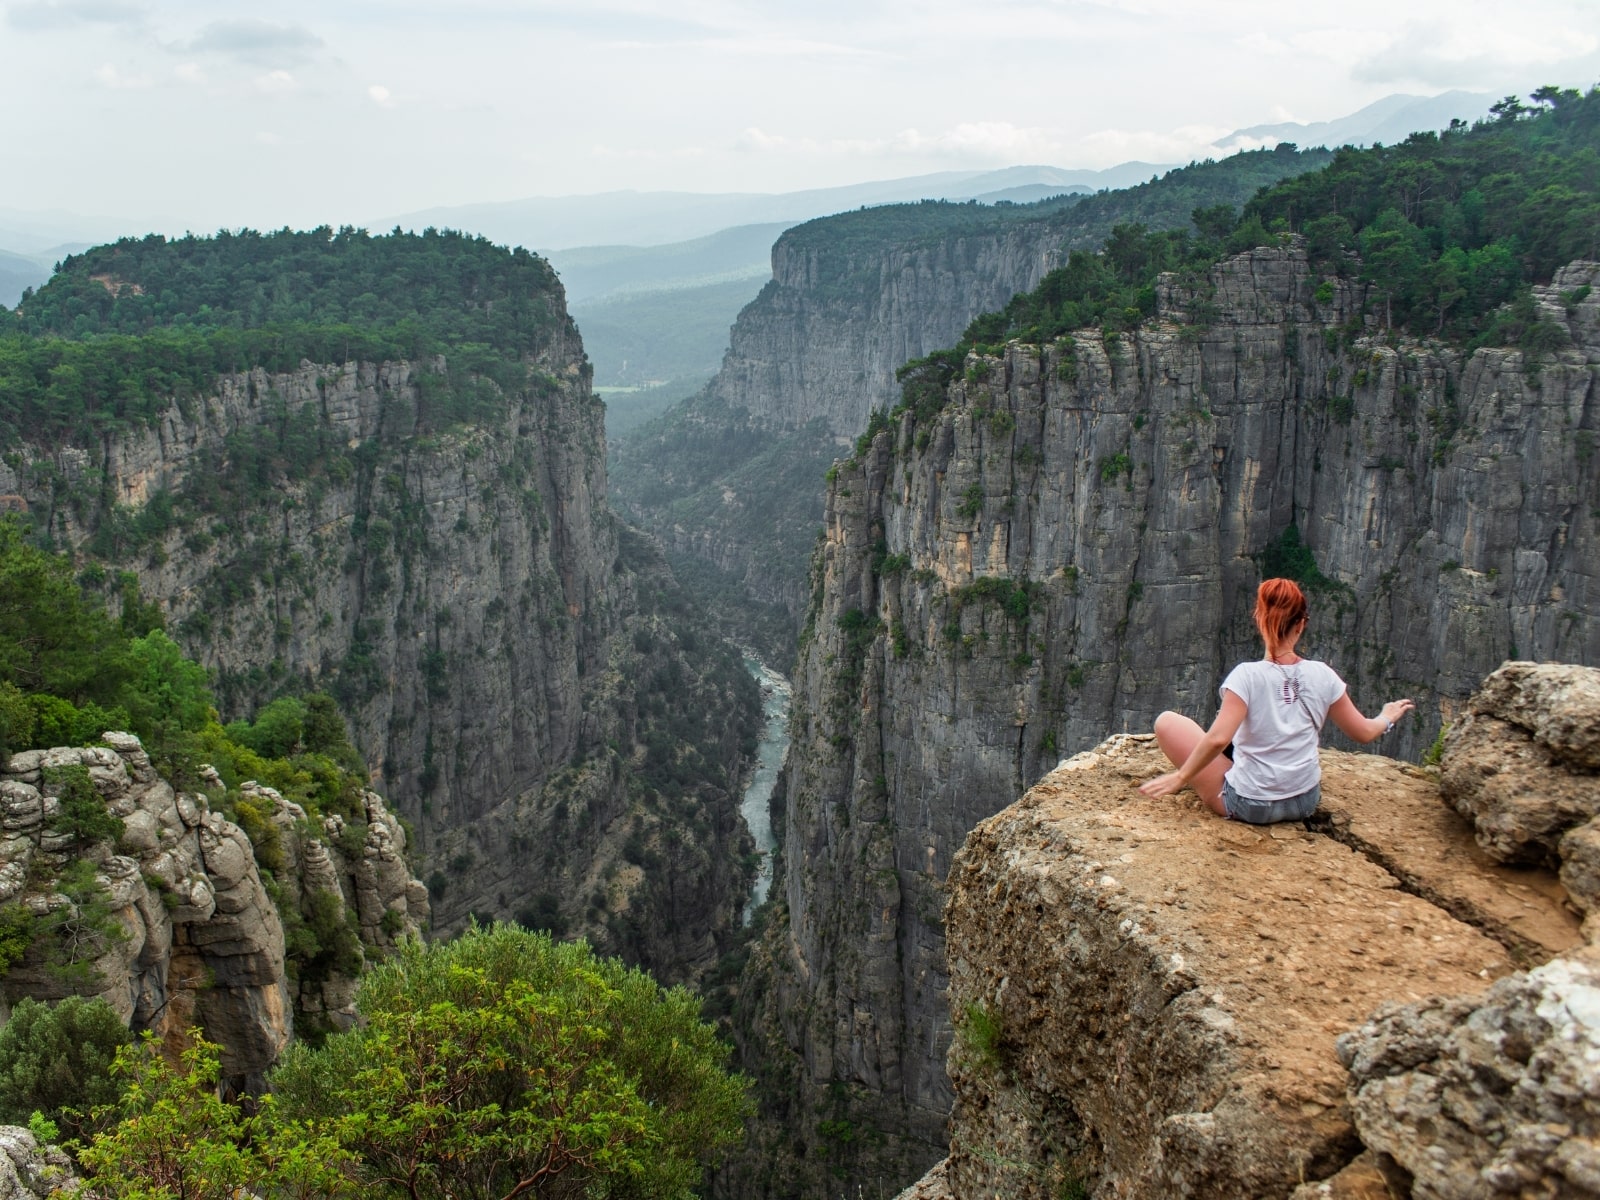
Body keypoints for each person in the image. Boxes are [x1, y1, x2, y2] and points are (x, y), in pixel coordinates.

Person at [1138, 577, 1415, 824]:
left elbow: (1217, 739)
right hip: (1304, 801)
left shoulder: (1246, 676)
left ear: (1259, 617)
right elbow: (1364, 733)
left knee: (1168, 722)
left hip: (1249, 805)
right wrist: (1386, 717)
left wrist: (1180, 777)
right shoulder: (1323, 674)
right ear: (1302, 623)